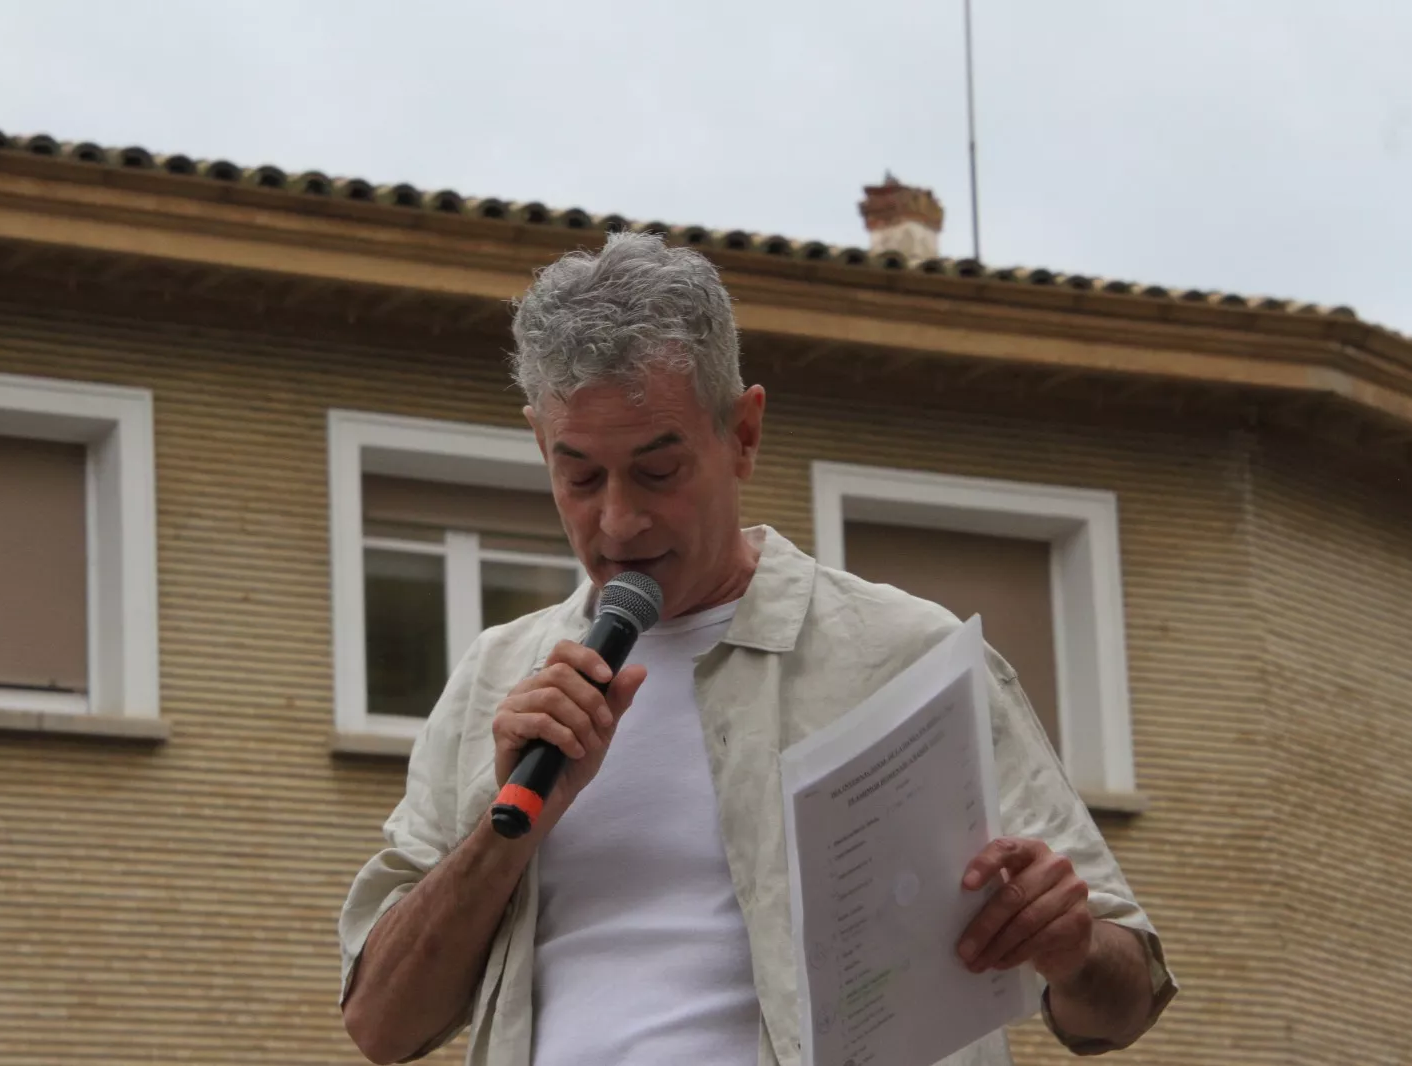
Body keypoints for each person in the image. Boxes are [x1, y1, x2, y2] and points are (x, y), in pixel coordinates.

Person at [337, 232, 1177, 1066]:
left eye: (658, 473)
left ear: (743, 434)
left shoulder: (910, 658)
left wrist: (1067, 945)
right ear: (539, 447)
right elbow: (382, 1025)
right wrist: (509, 828)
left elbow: (1123, 999)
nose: (619, 520)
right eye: (581, 477)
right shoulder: (497, 675)